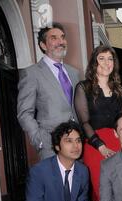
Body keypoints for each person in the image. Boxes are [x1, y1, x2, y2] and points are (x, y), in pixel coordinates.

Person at [74, 45, 122, 201]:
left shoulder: (119, 91)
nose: (106, 63)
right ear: (94, 63)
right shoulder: (84, 87)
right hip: (95, 146)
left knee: (120, 194)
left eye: (110, 59)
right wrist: (100, 146)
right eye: (102, 59)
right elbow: (84, 122)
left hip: (118, 143)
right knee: (102, 196)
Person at [17, 22, 79, 160]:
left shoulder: (74, 73)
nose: (61, 41)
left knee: (77, 181)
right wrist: (39, 140)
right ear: (43, 45)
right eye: (54, 38)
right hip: (50, 145)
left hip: (77, 144)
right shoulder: (32, 73)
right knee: (54, 182)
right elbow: (24, 113)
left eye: (62, 37)